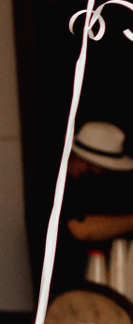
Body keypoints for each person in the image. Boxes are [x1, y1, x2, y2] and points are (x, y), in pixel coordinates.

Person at [55, 120, 133, 291]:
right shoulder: (57, 189)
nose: (104, 175)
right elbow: (81, 229)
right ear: (83, 162)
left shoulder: (85, 189)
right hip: (67, 293)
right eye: (101, 169)